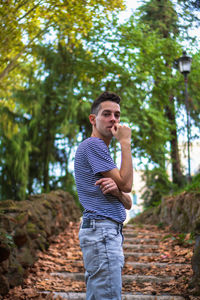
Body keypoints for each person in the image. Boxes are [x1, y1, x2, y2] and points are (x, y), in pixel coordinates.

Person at [74, 91, 133, 300]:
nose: (113, 119)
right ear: (93, 119)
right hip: (102, 231)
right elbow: (127, 185)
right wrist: (125, 143)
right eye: (106, 114)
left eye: (117, 115)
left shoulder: (101, 151)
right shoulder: (94, 145)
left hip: (105, 231)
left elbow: (127, 201)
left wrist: (117, 192)